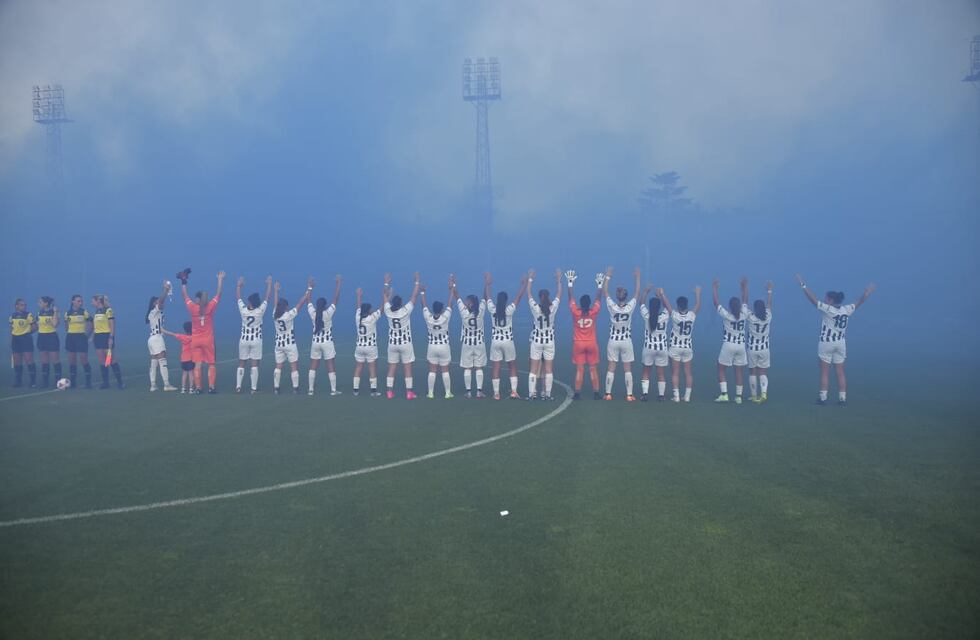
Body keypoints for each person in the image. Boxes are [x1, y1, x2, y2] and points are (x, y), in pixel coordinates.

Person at [796, 275, 875, 406]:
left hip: (826, 343)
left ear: (831, 300)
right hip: (841, 343)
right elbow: (860, 300)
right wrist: (867, 292)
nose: (825, 300)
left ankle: (823, 398)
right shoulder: (846, 309)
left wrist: (803, 285)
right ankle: (842, 399)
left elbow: (813, 300)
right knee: (840, 372)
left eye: (827, 298)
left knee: (825, 372)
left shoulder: (828, 309)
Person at [486, 272, 528, 400]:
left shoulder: (493, 309)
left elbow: (488, 297)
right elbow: (519, 297)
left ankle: (496, 393)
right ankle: (514, 391)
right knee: (512, 366)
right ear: (505, 301)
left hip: (495, 342)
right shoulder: (509, 310)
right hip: (508, 341)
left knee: (496, 367)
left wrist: (487, 283)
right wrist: (524, 284)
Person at [181, 270, 225, 394]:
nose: (194, 300)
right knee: (211, 364)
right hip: (207, 339)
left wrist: (183, 282)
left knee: (197, 365)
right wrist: (220, 279)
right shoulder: (210, 306)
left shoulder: (193, 308)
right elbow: (219, 294)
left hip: (195, 340)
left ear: (198, 300)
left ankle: (198, 388)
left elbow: (184, 295)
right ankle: (211, 387)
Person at [603, 266, 641, 401]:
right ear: (626, 296)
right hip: (626, 341)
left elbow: (605, 291)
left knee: (611, 367)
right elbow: (637, 292)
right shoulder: (630, 307)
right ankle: (629, 395)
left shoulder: (612, 306)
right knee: (627, 369)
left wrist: (607, 276)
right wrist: (637, 277)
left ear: (617, 297)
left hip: (613, 340)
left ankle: (608, 394)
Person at [272, 278, 314, 394]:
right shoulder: (288, 315)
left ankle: (276, 387)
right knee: (293, 366)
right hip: (290, 344)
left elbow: (275, 305)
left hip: (279, 345)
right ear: (285, 307)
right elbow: (301, 303)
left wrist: (275, 291)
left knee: (278, 366)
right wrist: (309, 288)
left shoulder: (275, 315)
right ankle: (295, 388)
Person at [383, 272, 421, 399]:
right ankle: (409, 392)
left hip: (392, 344)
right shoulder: (405, 311)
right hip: (405, 344)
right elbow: (414, 296)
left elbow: (384, 296)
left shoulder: (388, 310)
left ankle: (389, 392)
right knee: (407, 368)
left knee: (392, 368)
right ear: (401, 303)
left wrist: (387, 283)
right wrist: (417, 281)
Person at [526, 268, 563, 400]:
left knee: (533, 370)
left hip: (537, 341)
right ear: (548, 297)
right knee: (548, 370)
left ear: (540, 297)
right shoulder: (552, 308)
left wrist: (530, 278)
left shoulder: (536, 308)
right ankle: (547, 394)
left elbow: (529, 293)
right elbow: (559, 294)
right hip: (549, 342)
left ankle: (532, 394)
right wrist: (559, 279)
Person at [567, 270, 604, 400]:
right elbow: (598, 299)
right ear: (589, 303)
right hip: (591, 342)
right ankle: (596, 393)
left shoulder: (576, 312)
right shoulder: (593, 312)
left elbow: (570, 299)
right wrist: (600, 286)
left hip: (578, 343)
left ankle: (577, 393)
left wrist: (570, 284)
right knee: (593, 368)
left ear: (580, 303)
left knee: (580, 368)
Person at [711, 278, 749, 404]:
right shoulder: (744, 314)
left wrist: (715, 288)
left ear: (730, 306)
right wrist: (744, 287)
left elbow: (716, 303)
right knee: (738, 371)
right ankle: (738, 397)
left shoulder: (727, 315)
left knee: (721, 368)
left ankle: (724, 394)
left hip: (728, 345)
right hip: (741, 346)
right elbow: (745, 300)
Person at [661, 285, 701, 402]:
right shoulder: (691, 315)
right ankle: (687, 396)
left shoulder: (675, 315)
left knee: (675, 372)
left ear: (678, 305)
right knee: (688, 373)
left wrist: (662, 294)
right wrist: (697, 293)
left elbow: (667, 305)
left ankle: (677, 396)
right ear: (687, 305)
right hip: (687, 347)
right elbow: (698, 305)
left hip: (675, 347)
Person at [452, 274, 488, 399]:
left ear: (471, 303)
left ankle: (468, 392)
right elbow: (485, 297)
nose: (466, 303)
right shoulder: (481, 311)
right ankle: (478, 391)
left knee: (467, 368)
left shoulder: (464, 312)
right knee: (479, 367)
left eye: (467, 301)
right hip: (479, 343)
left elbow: (456, 296)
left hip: (467, 343)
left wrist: (454, 284)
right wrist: (486, 283)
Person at [236, 275, 273, 394]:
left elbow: (238, 298)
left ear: (250, 302)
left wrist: (239, 286)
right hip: (256, 340)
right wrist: (269, 284)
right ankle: (253, 388)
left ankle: (238, 387)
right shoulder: (260, 311)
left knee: (242, 363)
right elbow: (267, 298)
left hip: (244, 340)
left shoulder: (243, 310)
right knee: (254, 364)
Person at [308, 275, 342, 396]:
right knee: (330, 365)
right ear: (325, 305)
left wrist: (310, 287)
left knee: (313, 366)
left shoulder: (313, 313)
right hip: (327, 343)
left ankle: (310, 390)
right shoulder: (327, 313)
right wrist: (338, 284)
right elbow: (336, 299)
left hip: (315, 343)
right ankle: (333, 390)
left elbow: (308, 301)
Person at [420, 278, 454, 399]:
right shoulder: (445, 317)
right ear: (441, 309)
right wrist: (452, 288)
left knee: (432, 371)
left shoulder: (428, 317)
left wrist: (422, 292)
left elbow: (424, 305)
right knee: (445, 370)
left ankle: (430, 393)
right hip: (444, 346)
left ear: (433, 309)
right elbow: (450, 304)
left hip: (432, 347)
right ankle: (448, 393)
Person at [639, 284, 670, 402]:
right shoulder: (664, 316)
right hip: (662, 349)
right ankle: (661, 396)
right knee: (661, 373)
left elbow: (641, 304)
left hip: (648, 348)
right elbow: (668, 307)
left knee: (646, 372)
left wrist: (645, 292)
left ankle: (644, 395)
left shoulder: (647, 316)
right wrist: (661, 295)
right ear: (659, 307)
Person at [146, 281, 177, 392]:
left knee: (154, 362)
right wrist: (165, 289)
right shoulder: (155, 311)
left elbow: (161, 328)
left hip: (151, 339)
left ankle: (153, 385)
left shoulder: (153, 314)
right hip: (157, 338)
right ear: (155, 303)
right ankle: (166, 384)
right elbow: (161, 300)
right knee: (163, 360)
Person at [353, 286, 384, 396]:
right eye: (371, 308)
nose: (372, 310)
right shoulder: (372, 318)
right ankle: (373, 391)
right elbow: (382, 308)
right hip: (371, 347)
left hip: (359, 347)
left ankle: (355, 390)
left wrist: (358, 296)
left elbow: (358, 307)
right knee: (372, 368)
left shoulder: (358, 317)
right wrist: (387, 296)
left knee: (358, 367)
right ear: (369, 310)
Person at [747, 282, 774, 403]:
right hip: (764, 349)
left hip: (752, 348)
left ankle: (754, 396)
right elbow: (769, 304)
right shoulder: (768, 316)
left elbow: (744, 306)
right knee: (762, 371)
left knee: (752, 371)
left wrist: (744, 287)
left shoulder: (751, 317)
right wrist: (769, 291)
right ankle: (764, 393)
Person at [91, 294, 123, 389]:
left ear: (98, 301)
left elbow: (112, 324)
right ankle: (106, 383)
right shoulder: (96, 311)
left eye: (93, 301)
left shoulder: (108, 310)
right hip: (98, 338)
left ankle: (120, 382)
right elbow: (96, 326)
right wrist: (92, 336)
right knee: (102, 361)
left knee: (110, 360)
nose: (91, 303)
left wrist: (111, 337)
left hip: (106, 336)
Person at [64, 294, 92, 389]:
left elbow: (90, 323)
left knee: (84, 359)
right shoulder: (68, 313)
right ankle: (73, 382)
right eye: (78, 301)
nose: (80, 302)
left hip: (81, 337)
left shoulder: (84, 312)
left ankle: (88, 382)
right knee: (72, 361)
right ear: (73, 302)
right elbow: (66, 326)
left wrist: (87, 334)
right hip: (71, 337)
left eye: (81, 301)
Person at [162, 322, 196, 393]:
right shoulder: (194, 337)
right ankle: (191, 389)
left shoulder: (182, 337)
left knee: (184, 373)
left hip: (183, 358)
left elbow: (172, 334)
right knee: (191, 374)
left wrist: (163, 330)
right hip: (191, 358)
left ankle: (183, 389)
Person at [9, 298, 35, 388]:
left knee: (29, 360)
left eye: (25, 305)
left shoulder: (28, 315)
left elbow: (35, 326)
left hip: (25, 339)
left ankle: (32, 382)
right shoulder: (12, 316)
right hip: (16, 340)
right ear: (17, 306)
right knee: (17, 361)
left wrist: (27, 332)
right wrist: (12, 339)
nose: (24, 306)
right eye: (22, 305)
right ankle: (18, 381)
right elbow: (12, 328)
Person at [36, 296, 61, 388]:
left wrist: (55, 312)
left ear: (46, 303)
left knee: (55, 360)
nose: (39, 304)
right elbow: (37, 324)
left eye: (40, 302)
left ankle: (58, 382)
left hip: (51, 337)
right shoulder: (39, 312)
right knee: (44, 361)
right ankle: (45, 382)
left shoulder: (53, 312)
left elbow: (55, 324)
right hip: (41, 337)